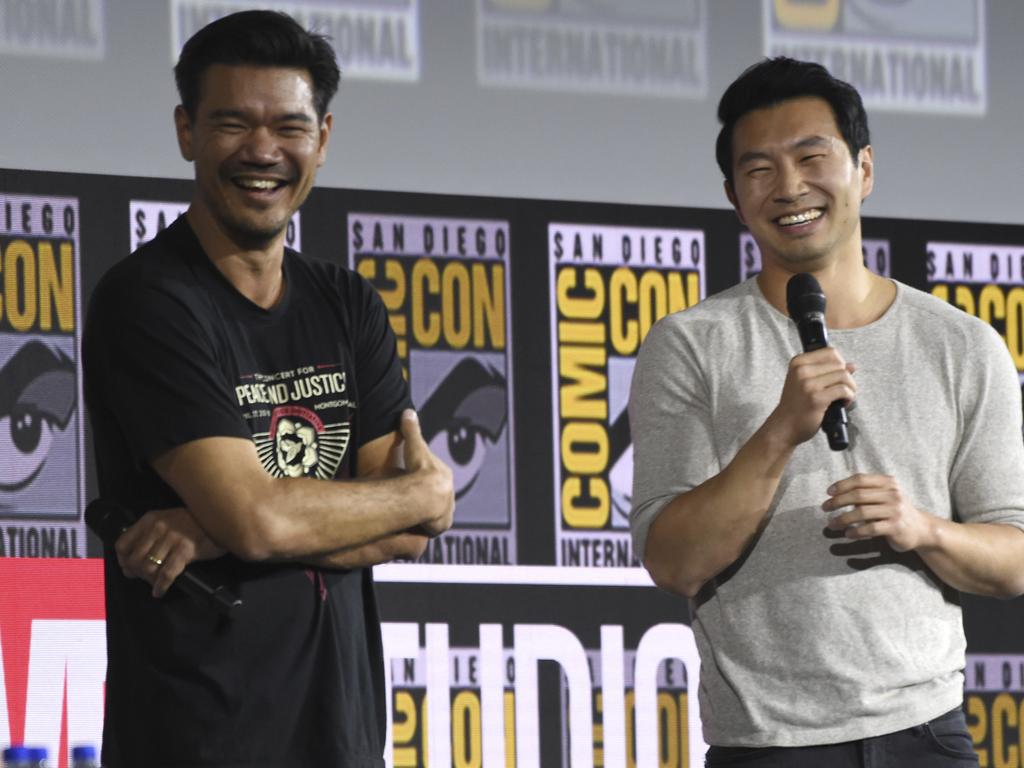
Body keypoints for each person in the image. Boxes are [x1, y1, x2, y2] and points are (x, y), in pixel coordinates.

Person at [82, 10, 453, 768]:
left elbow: (414, 530)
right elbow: (281, 516)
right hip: (196, 741)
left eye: (288, 125)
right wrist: (411, 494)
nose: (262, 151)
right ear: (187, 131)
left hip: (341, 736)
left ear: (322, 139)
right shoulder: (149, 301)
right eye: (231, 123)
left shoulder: (347, 304)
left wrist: (215, 528)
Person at [629, 57, 1024, 767]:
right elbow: (672, 560)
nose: (790, 188)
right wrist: (779, 431)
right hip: (769, 744)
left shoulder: (963, 346)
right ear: (733, 196)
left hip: (926, 734)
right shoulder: (689, 345)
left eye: (813, 157)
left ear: (863, 169)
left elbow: (1014, 557)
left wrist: (922, 530)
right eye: (760, 171)